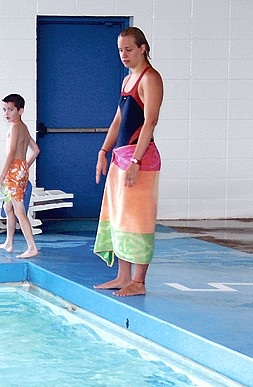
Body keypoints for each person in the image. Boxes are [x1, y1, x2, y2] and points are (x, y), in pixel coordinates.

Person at [94, 27, 164, 297]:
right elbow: (118, 120)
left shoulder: (151, 79)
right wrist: (103, 151)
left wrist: (136, 158)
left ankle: (139, 281)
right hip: (121, 157)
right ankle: (123, 276)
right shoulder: (127, 80)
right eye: (120, 50)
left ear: (143, 48)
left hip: (141, 158)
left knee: (138, 218)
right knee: (118, 217)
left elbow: (150, 121)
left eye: (129, 49)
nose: (123, 55)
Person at [0, 93, 40, 259]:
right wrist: (24, 167)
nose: (6, 113)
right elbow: (36, 150)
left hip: (14, 169)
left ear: (20, 110)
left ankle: (32, 247)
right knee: (8, 207)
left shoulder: (15, 127)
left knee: (19, 209)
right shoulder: (24, 128)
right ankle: (9, 242)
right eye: (4, 109)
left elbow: (12, 152)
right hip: (18, 168)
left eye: (11, 109)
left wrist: (3, 174)